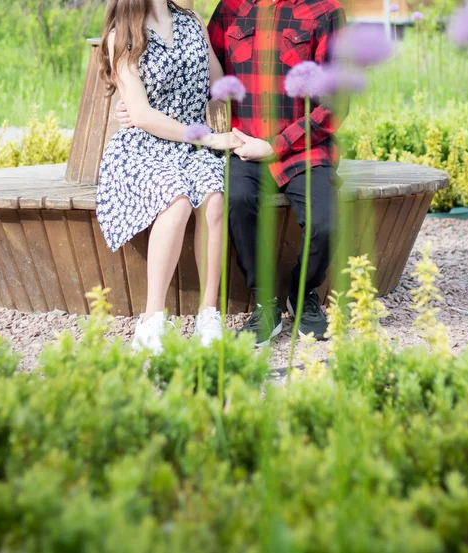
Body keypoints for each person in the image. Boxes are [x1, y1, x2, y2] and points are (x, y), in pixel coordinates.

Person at [117, 0, 346, 347]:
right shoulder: (231, 9)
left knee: (326, 220)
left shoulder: (326, 11)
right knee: (234, 201)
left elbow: (336, 101)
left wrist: (276, 146)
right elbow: (199, 72)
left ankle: (303, 293)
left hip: (304, 148)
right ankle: (265, 302)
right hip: (243, 145)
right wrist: (140, 102)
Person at [97, 0, 242, 354]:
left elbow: (217, 80)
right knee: (175, 201)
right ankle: (152, 320)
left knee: (213, 197)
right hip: (144, 146)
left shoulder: (192, 22)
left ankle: (209, 315)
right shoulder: (123, 35)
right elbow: (144, 116)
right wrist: (206, 136)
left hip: (191, 147)